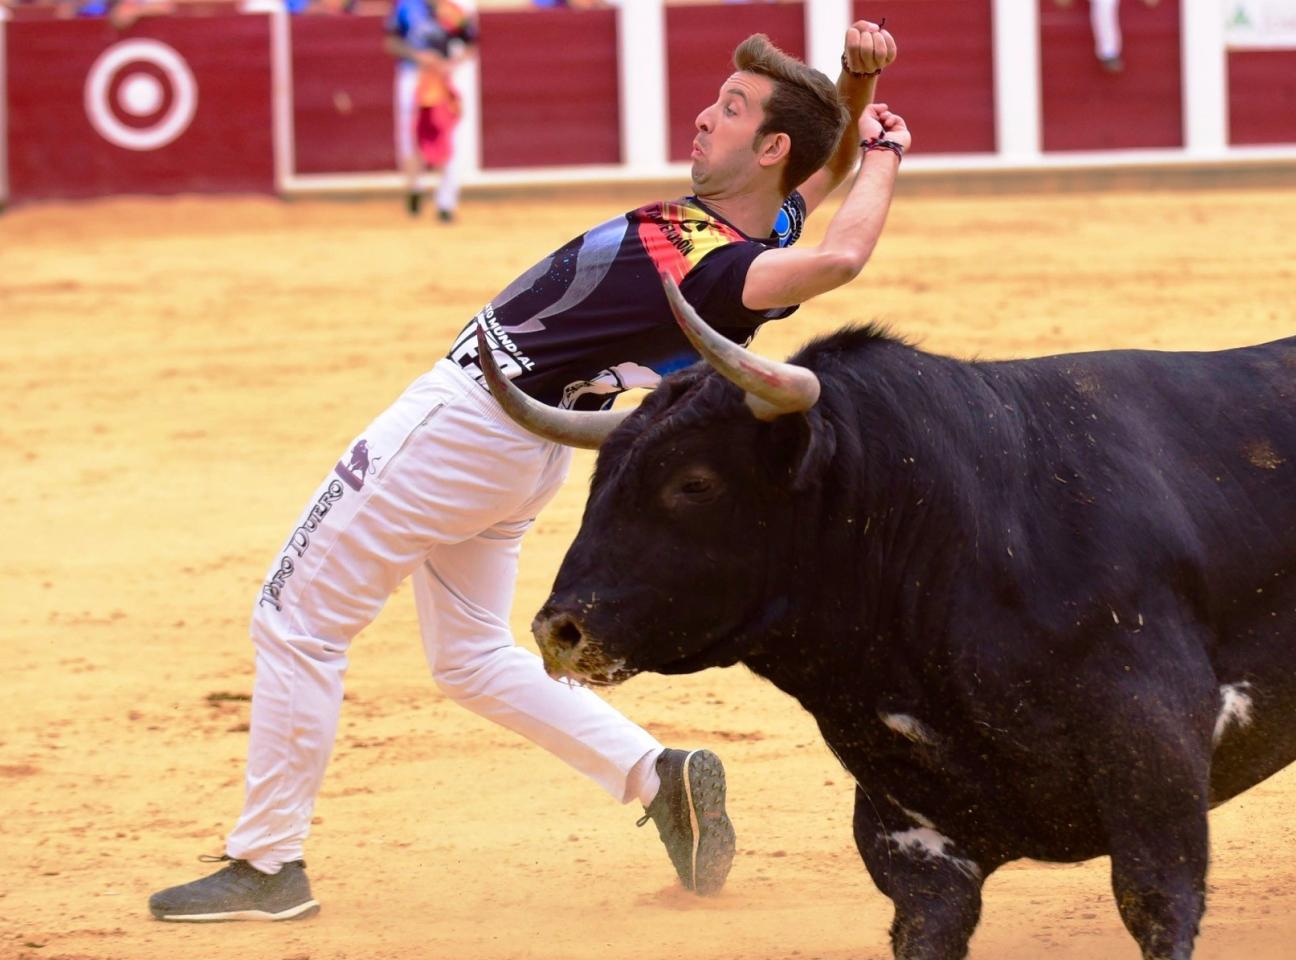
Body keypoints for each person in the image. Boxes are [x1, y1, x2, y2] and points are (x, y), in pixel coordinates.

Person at [147, 21, 906, 923]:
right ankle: (655, 774)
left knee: (295, 618)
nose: (705, 117)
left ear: (766, 147)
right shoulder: (747, 226)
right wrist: (854, 87)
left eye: (731, 110)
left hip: (461, 426)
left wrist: (888, 150)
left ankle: (267, 863)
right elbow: (822, 167)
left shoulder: (724, 271)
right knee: (468, 656)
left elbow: (842, 255)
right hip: (525, 448)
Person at [385, 0, 476, 223]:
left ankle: (446, 202)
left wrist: (451, 64)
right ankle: (415, 185)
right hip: (413, 75)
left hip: (445, 80)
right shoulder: (406, 6)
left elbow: (471, 45)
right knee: (412, 136)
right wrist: (418, 57)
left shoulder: (456, 8)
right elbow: (391, 42)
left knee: (449, 134)